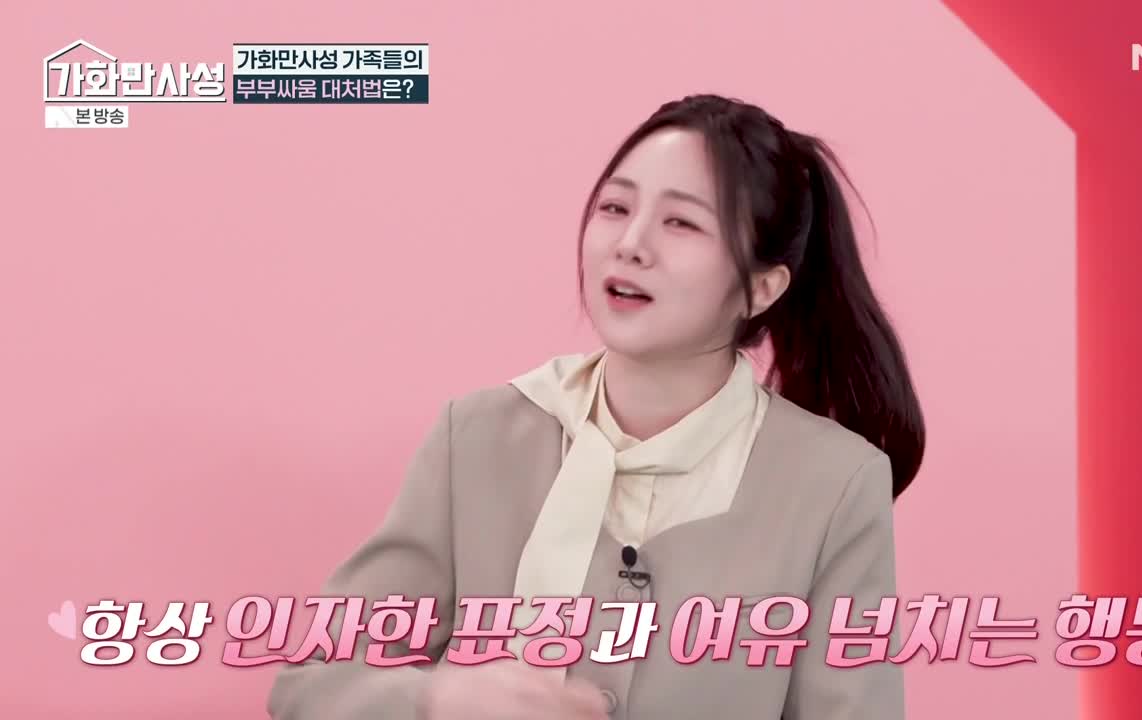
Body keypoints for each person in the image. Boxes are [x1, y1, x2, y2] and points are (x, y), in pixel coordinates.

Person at [267, 93, 925, 720]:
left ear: (762, 287)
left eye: (681, 222)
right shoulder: (477, 439)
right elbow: (312, 681)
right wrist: (435, 701)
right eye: (615, 207)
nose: (630, 243)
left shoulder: (833, 483)